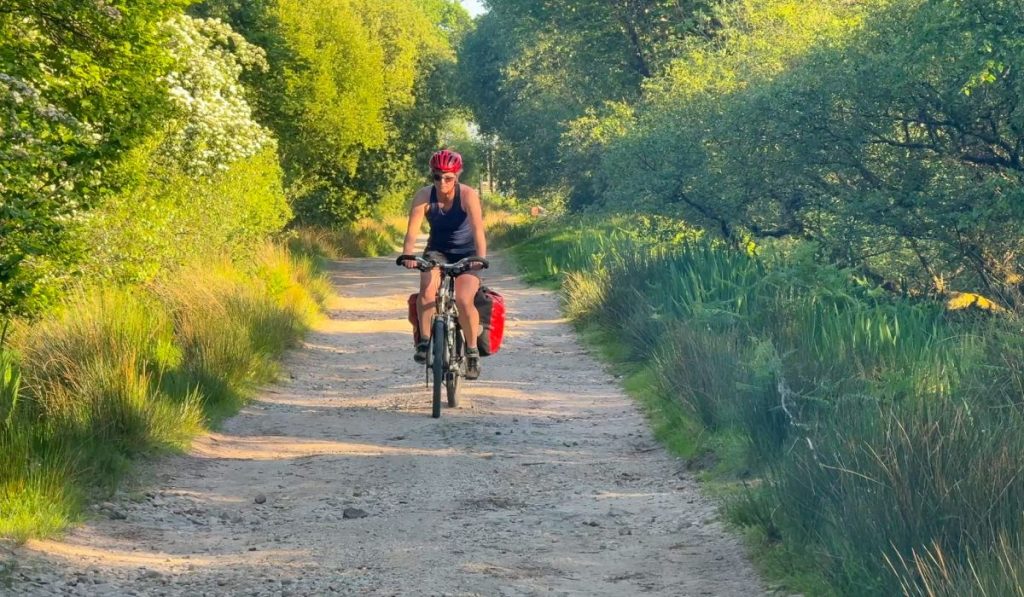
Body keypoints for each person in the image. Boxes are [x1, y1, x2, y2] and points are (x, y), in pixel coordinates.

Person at [400, 149, 487, 380]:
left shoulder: (467, 195)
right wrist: (408, 254)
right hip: (437, 251)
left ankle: (471, 352)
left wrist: (480, 258)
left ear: (457, 176)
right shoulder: (423, 196)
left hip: (466, 252)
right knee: (427, 293)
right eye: (437, 176)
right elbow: (412, 231)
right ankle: (425, 342)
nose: (442, 182)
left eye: (448, 177)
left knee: (463, 298)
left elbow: (478, 230)